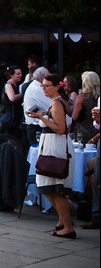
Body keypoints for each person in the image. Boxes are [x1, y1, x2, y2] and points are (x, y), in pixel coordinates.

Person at [25, 74, 76, 239]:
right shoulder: (57, 103)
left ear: (57, 86)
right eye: (43, 85)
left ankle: (68, 226)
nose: (44, 88)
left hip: (55, 148)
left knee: (53, 188)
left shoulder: (57, 104)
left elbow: (60, 128)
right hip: (53, 146)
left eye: (47, 85)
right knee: (47, 187)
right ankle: (63, 220)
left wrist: (41, 117)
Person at [22, 66, 51, 146]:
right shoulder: (37, 88)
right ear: (42, 76)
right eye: (48, 76)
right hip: (35, 127)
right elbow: (50, 105)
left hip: (35, 125)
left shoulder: (35, 86)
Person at [71, 71, 100, 143]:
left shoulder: (82, 97)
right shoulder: (98, 97)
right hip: (97, 131)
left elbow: (74, 117)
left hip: (83, 131)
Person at [0, 65, 24, 137]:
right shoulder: (8, 85)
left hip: (16, 116)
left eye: (21, 73)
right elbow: (12, 98)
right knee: (11, 139)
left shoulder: (17, 85)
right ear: (11, 75)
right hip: (11, 118)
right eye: (18, 74)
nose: (20, 75)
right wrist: (22, 94)